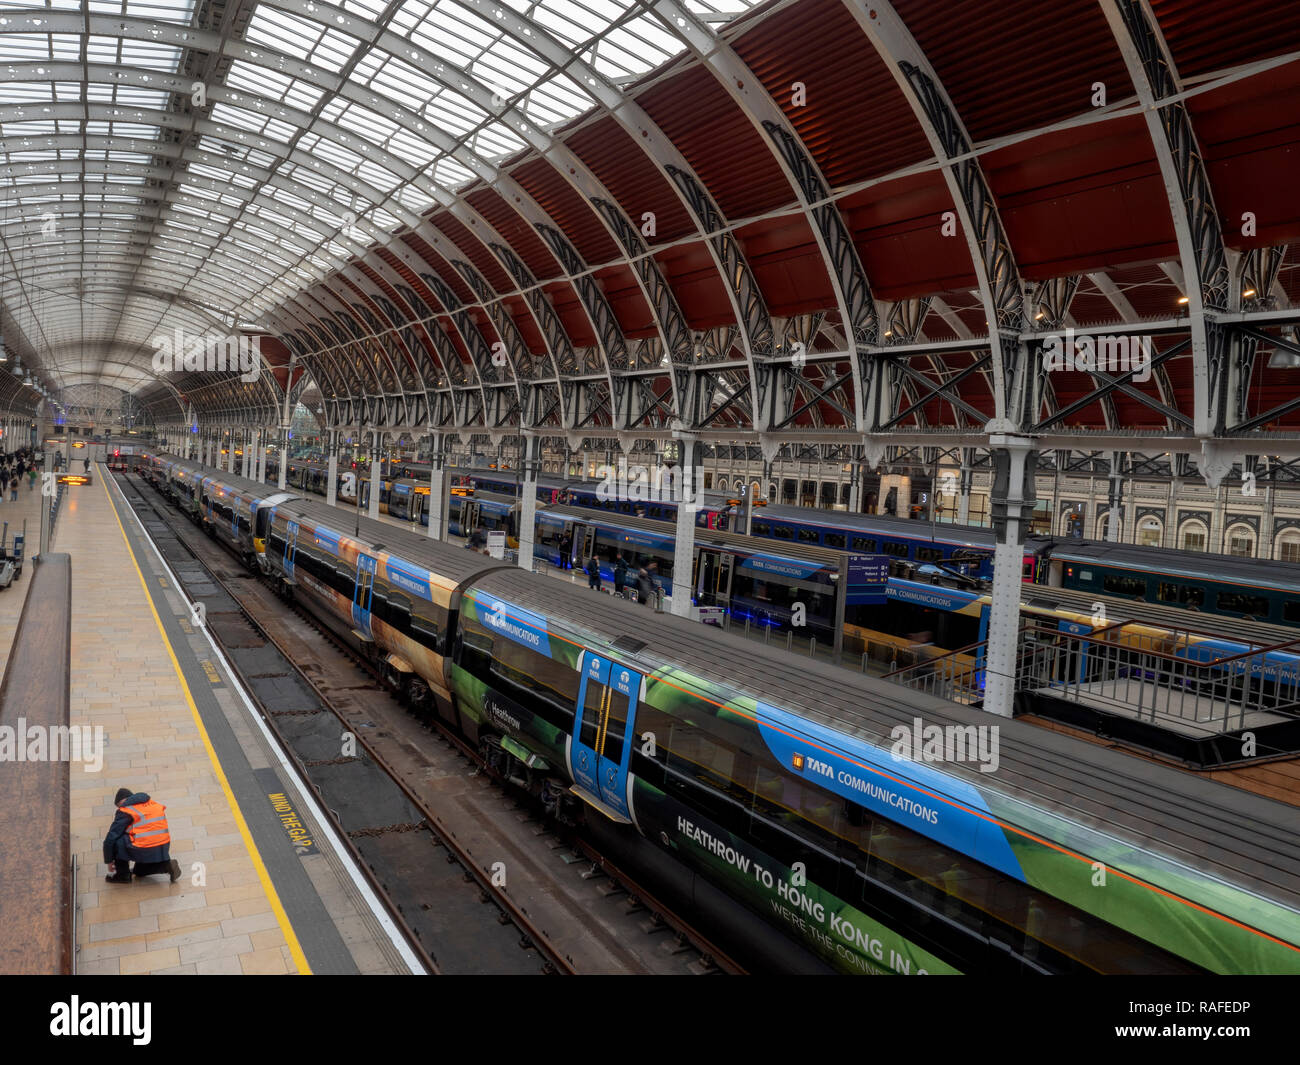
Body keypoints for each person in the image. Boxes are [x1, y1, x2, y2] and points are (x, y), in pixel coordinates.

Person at [103, 787, 181, 884]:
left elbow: (111, 838)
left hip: (146, 846)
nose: (120, 809)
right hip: (163, 846)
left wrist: (109, 860)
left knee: (117, 841)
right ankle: (165, 865)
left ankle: (122, 875)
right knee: (138, 871)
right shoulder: (152, 803)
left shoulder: (126, 810)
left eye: (119, 806)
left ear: (123, 801)